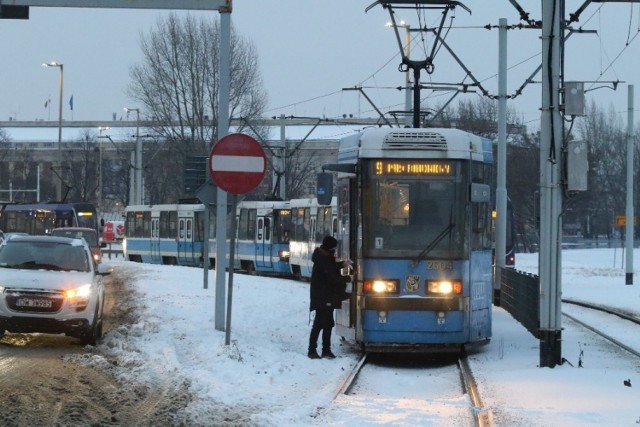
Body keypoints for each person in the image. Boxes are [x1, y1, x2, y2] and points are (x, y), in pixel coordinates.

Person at [308, 235, 351, 359]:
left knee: (328, 324)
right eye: (334, 247)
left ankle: (326, 350)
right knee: (319, 324)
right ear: (329, 247)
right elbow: (332, 278)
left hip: (326, 296)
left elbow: (331, 268)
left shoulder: (324, 256)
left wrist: (342, 264)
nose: (335, 250)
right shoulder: (323, 259)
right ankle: (312, 350)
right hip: (323, 297)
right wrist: (348, 278)